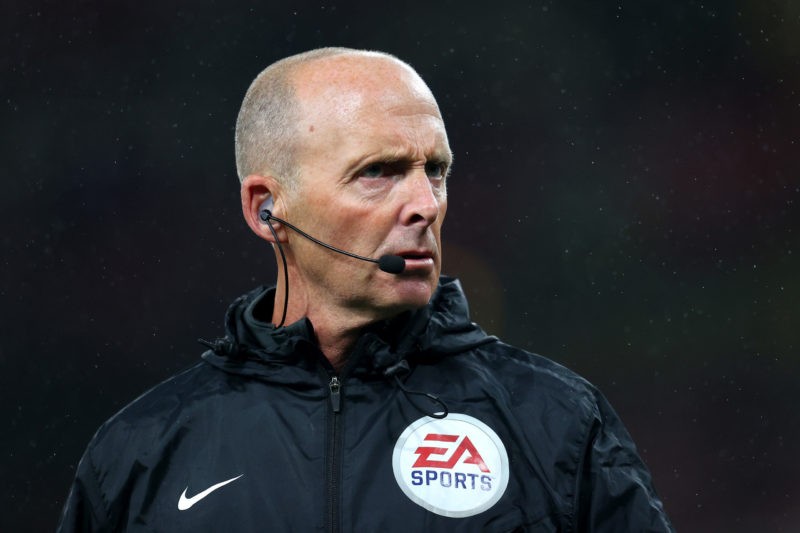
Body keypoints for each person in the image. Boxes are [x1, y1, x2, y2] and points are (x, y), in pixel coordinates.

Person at [58, 47, 674, 532]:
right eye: (378, 172)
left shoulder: (558, 424)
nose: (425, 205)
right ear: (267, 208)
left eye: (436, 170)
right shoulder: (143, 451)